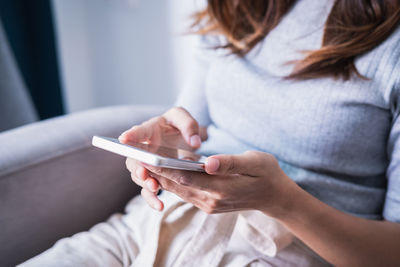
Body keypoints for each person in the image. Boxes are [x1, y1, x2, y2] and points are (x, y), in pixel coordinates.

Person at [21, 0, 400, 266]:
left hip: (280, 253)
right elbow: (191, 131)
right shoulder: (239, 7)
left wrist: (283, 201)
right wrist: (170, 147)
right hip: (148, 229)